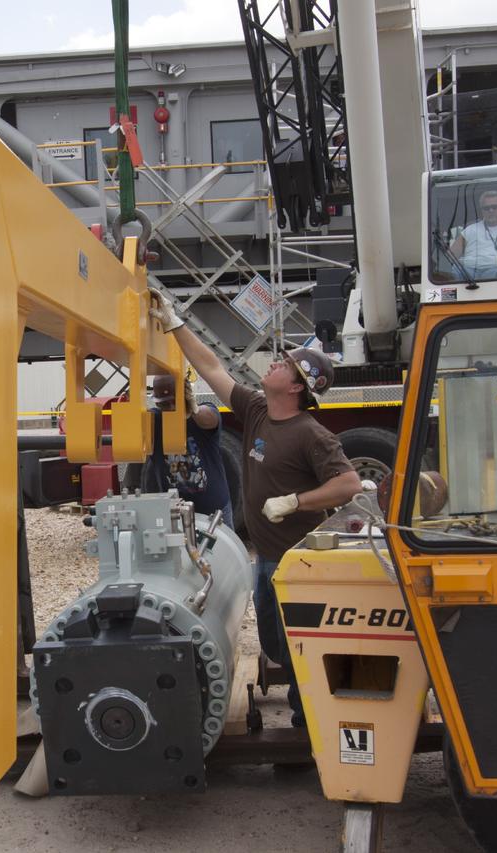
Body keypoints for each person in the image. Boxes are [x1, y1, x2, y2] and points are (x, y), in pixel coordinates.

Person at [150, 292, 361, 727]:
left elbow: (349, 484)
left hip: (298, 563)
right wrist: (173, 322)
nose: (275, 363)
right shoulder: (260, 410)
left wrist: (297, 501)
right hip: (266, 559)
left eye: (285, 365)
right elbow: (211, 367)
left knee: (301, 647)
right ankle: (310, 716)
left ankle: (313, 727)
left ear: (299, 387)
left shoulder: (311, 435)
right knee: (276, 643)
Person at [141, 373, 233, 529]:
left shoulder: (203, 415)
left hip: (215, 511)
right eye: (164, 405)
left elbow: (210, 419)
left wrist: (193, 410)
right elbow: (135, 424)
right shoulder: (153, 421)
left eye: (174, 402)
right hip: (176, 512)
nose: (170, 408)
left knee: (223, 552)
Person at [450, 189, 497, 280]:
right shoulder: (471, 229)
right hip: (468, 270)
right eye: (486, 208)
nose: (490, 210)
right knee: (455, 272)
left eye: (495, 207)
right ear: (482, 211)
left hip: (496, 269)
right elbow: (451, 255)